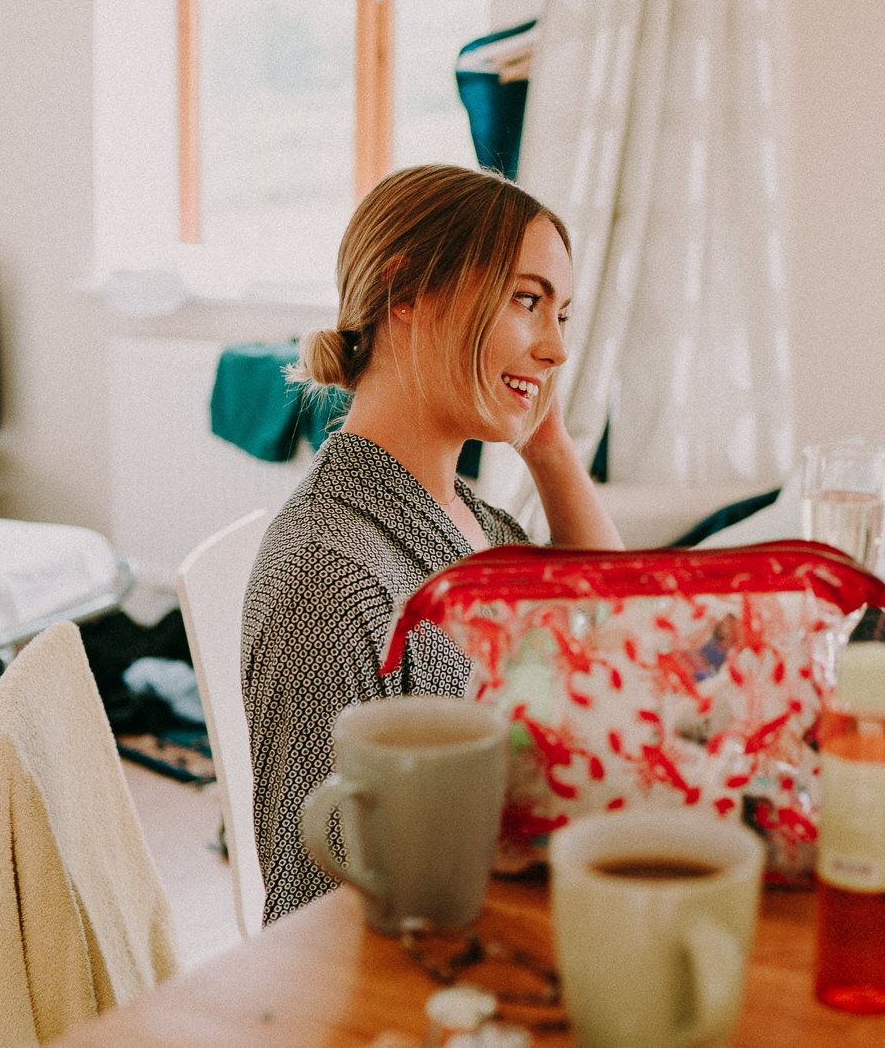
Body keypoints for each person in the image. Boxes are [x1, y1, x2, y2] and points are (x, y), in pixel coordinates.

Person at [242, 164, 622, 922]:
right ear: (405, 292)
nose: (556, 348)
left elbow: (615, 635)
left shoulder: (473, 519)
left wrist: (549, 449)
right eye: (527, 301)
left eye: (562, 315)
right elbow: (312, 903)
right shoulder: (331, 577)